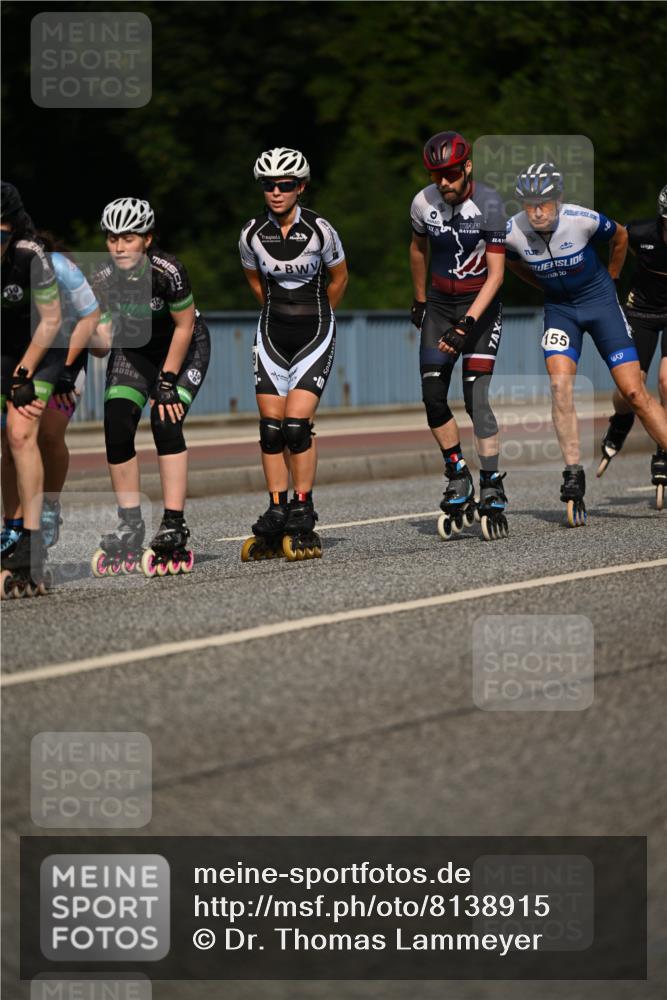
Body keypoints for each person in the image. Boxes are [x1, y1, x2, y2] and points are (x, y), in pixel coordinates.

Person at [505, 163, 667, 525]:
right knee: (560, 385)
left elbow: (620, 236)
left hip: (601, 304)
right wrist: (540, 285)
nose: (536, 211)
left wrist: (613, 276)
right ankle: (573, 473)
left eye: (543, 203)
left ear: (559, 199)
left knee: (634, 392)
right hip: (561, 311)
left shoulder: (581, 220)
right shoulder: (513, 232)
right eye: (529, 204)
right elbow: (511, 263)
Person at [90, 197, 210, 576]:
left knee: (164, 420)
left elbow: (185, 326)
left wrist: (168, 381)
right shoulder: (102, 277)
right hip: (134, 351)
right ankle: (130, 524)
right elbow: (102, 342)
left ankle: (174, 523)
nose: (119, 247)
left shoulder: (167, 270)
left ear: (147, 239)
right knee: (116, 424)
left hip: (183, 348)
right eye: (112, 239)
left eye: (128, 238)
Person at [239, 147, 348, 561]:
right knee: (271, 430)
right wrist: (276, 312)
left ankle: (302, 506)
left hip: (314, 332)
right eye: (268, 185)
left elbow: (339, 278)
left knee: (297, 426)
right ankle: (277, 506)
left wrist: (321, 316)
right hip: (271, 333)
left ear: (300, 187)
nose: (276, 191)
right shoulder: (251, 233)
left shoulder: (321, 230)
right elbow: (255, 282)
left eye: (285, 184)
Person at [409, 130, 508, 541]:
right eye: (436, 175)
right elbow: (418, 250)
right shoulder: (422, 202)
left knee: (476, 400)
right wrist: (419, 300)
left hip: (479, 309)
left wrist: (467, 322)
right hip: (439, 305)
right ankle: (457, 473)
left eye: (450, 173)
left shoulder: (491, 204)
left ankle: (492, 483)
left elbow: (497, 275)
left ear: (467, 167)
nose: (443, 182)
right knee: (433, 396)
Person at [3, 233, 101, 551]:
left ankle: (49, 507)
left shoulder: (60, 268)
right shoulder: (11, 270)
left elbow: (92, 326)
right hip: (29, 355)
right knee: (14, 440)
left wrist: (67, 370)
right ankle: (15, 524)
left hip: (67, 356)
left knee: (49, 434)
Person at [1, 181, 62, 597]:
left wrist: (23, 373)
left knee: (21, 432)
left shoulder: (30, 253)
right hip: (4, 348)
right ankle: (12, 527)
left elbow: (52, 319)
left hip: (42, 345)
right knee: (5, 443)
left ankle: (32, 537)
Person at [596, 184, 667, 508]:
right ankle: (621, 421)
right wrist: (611, 279)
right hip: (641, 312)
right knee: (630, 388)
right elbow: (617, 238)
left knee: (665, 381)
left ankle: (662, 449)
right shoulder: (641, 232)